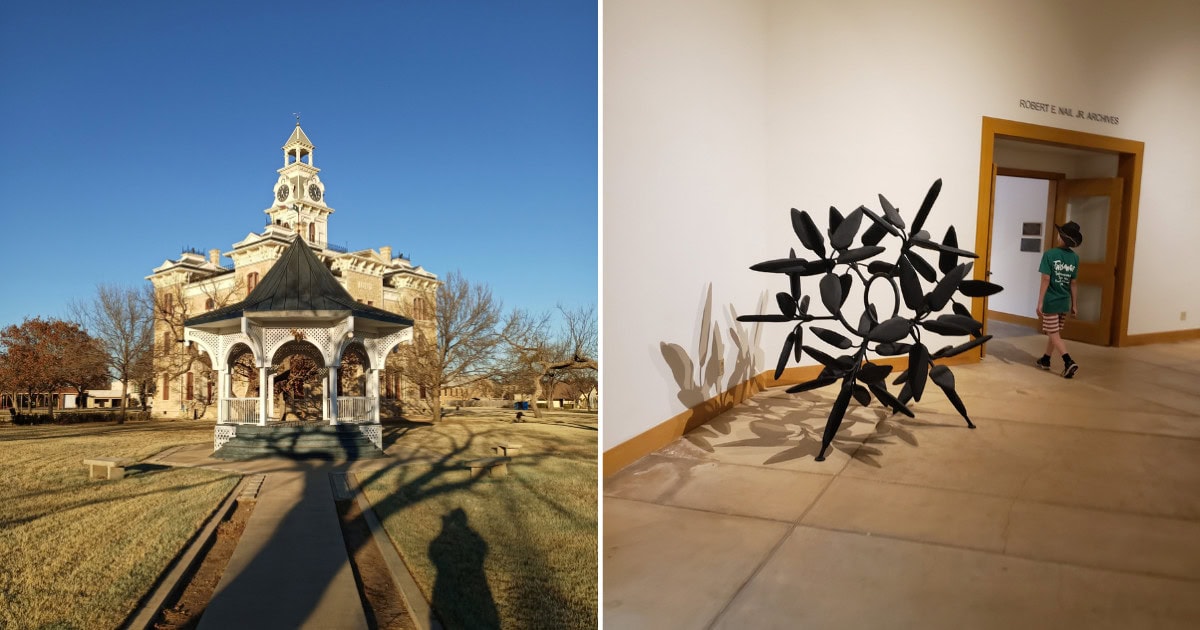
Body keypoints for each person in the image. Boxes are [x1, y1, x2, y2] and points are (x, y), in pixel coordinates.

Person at [1035, 221, 1083, 378]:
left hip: (1051, 301)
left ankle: (1068, 361)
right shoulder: (1074, 258)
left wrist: (1040, 302)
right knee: (1054, 332)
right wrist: (1074, 304)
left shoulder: (1049, 254)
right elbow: (1073, 283)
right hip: (1064, 301)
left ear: (1061, 237)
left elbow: (1045, 279)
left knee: (1053, 333)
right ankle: (1046, 359)